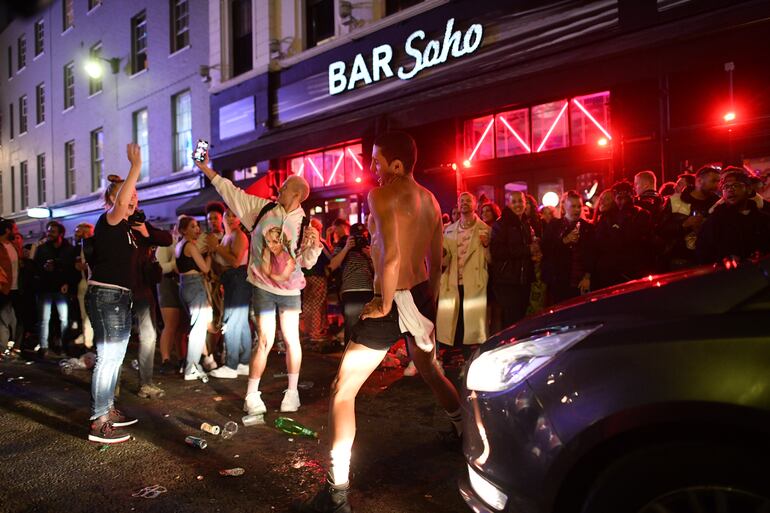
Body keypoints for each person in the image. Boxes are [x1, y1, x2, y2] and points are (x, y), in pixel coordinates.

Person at [293, 131, 462, 513]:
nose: (372, 168)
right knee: (431, 370)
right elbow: (436, 259)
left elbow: (392, 257)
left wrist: (383, 303)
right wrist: (428, 300)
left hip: (392, 298)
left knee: (342, 390)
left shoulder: (383, 194)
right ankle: (462, 430)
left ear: (397, 166)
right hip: (418, 296)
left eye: (376, 161)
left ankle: (336, 493)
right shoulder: (432, 200)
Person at [194, 153, 322, 415]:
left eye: (285, 186)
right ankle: (251, 396)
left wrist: (314, 246)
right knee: (264, 338)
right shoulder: (262, 210)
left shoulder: (306, 224)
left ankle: (292, 393)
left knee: (291, 340)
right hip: (263, 286)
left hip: (291, 290)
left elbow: (307, 263)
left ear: (296, 194)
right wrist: (206, 168)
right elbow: (231, 192)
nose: (280, 188)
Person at [85, 143, 143, 444]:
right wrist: (135, 166)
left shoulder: (127, 228)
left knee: (115, 358)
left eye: (135, 193)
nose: (132, 197)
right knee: (107, 358)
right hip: (106, 296)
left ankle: (106, 409)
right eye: (127, 193)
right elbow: (121, 203)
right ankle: (98, 420)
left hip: (118, 297)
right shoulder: (111, 218)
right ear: (113, 198)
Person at [125, 203, 173, 399]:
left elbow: (166, 238)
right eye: (129, 197)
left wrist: (144, 230)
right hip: (119, 289)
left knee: (149, 335)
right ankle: (109, 387)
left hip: (143, 289)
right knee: (117, 340)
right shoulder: (113, 224)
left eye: (135, 198)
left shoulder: (142, 225)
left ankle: (146, 383)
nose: (133, 202)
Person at [436, 192, 490, 359]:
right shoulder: (449, 230)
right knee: (455, 323)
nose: (464, 203)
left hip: (474, 281)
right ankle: (454, 358)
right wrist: (442, 253)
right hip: (453, 280)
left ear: (475, 206)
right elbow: (444, 260)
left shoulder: (485, 229)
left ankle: (470, 358)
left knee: (471, 323)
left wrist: (486, 246)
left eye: (468, 201)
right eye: (461, 201)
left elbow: (490, 260)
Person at [208, 208, 252, 378]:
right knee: (239, 323)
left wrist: (217, 248)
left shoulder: (239, 235)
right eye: (229, 215)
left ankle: (231, 365)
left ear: (240, 219)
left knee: (232, 322)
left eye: (235, 215)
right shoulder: (228, 236)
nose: (232, 218)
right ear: (224, 218)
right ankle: (244, 363)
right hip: (231, 279)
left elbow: (235, 261)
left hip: (238, 278)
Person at [696, 168, 770, 264]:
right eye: (726, 187)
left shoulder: (764, 219)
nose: (730, 189)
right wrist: (723, 259)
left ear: (749, 189)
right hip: (726, 277)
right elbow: (703, 255)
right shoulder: (714, 221)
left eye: (736, 185)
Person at [592, 181, 655, 289]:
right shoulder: (607, 217)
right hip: (612, 274)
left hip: (635, 272)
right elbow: (599, 243)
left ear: (633, 195)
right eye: (619, 197)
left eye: (626, 196)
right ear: (614, 198)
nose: (623, 201)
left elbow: (637, 241)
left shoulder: (642, 214)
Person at [658, 165, 720, 270]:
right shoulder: (675, 201)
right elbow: (661, 230)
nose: (717, 185)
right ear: (699, 181)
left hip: (710, 260)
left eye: (718, 181)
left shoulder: (718, 204)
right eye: (713, 181)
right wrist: (684, 224)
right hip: (680, 261)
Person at [490, 191, 537, 328]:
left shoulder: (525, 223)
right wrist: (526, 250)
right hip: (507, 279)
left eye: (520, 201)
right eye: (514, 201)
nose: (518, 205)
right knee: (511, 318)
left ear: (525, 203)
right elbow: (497, 251)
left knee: (521, 316)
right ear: (509, 204)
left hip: (523, 278)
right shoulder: (501, 224)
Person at [175, 215, 213, 382]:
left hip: (184, 286)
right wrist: (210, 253)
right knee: (198, 329)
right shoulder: (190, 245)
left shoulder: (178, 246)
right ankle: (191, 368)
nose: (197, 229)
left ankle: (188, 364)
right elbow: (205, 268)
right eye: (192, 226)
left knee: (194, 326)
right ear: (183, 230)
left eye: (197, 226)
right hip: (195, 286)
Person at [34, 220, 78, 358]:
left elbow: (71, 269)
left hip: (61, 288)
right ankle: (44, 346)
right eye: (48, 231)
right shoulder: (42, 248)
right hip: (45, 288)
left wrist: (67, 283)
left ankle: (64, 346)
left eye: (52, 231)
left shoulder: (68, 249)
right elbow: (36, 267)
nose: (49, 233)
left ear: (61, 233)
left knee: (64, 319)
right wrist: (44, 268)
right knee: (44, 319)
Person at [542, 191, 595, 304]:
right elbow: (546, 250)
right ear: (564, 207)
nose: (576, 210)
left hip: (579, 282)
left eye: (579, 206)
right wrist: (565, 240)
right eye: (573, 206)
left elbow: (592, 254)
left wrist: (587, 277)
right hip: (559, 281)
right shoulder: (554, 226)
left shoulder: (588, 228)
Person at [328, 222, 374, 345]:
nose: (360, 238)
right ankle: (348, 358)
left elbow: (379, 271)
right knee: (352, 326)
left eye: (362, 235)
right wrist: (346, 248)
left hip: (369, 291)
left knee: (368, 327)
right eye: (356, 236)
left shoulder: (370, 247)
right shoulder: (343, 245)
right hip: (350, 291)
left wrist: (370, 256)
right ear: (351, 236)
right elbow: (332, 266)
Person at [156, 226, 186, 374]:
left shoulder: (187, 244)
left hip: (182, 285)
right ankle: (166, 360)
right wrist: (174, 265)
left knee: (181, 326)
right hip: (167, 285)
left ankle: (181, 358)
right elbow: (159, 267)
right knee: (170, 324)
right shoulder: (167, 244)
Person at [200, 201, 226, 369]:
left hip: (226, 282)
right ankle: (209, 354)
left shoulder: (227, 237)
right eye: (210, 219)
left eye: (215, 218)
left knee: (226, 318)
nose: (213, 221)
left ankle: (223, 351)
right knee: (211, 320)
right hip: (210, 283)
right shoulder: (205, 238)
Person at [301, 217, 333, 350]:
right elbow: (329, 257)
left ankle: (308, 332)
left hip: (304, 277)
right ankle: (315, 333)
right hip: (318, 276)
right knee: (317, 305)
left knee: (308, 305)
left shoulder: (302, 241)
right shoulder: (319, 242)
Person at [0, 219, 22, 355]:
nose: (17, 231)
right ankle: (2, 348)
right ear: (7, 230)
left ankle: (16, 345)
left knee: (18, 318)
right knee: (3, 318)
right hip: (3, 288)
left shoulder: (14, 245)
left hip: (18, 287)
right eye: (14, 229)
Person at [73, 222, 94, 348]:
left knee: (91, 313)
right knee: (84, 313)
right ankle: (87, 338)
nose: (75, 234)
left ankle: (89, 340)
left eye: (78, 231)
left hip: (92, 281)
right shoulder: (77, 247)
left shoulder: (94, 246)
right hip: (82, 281)